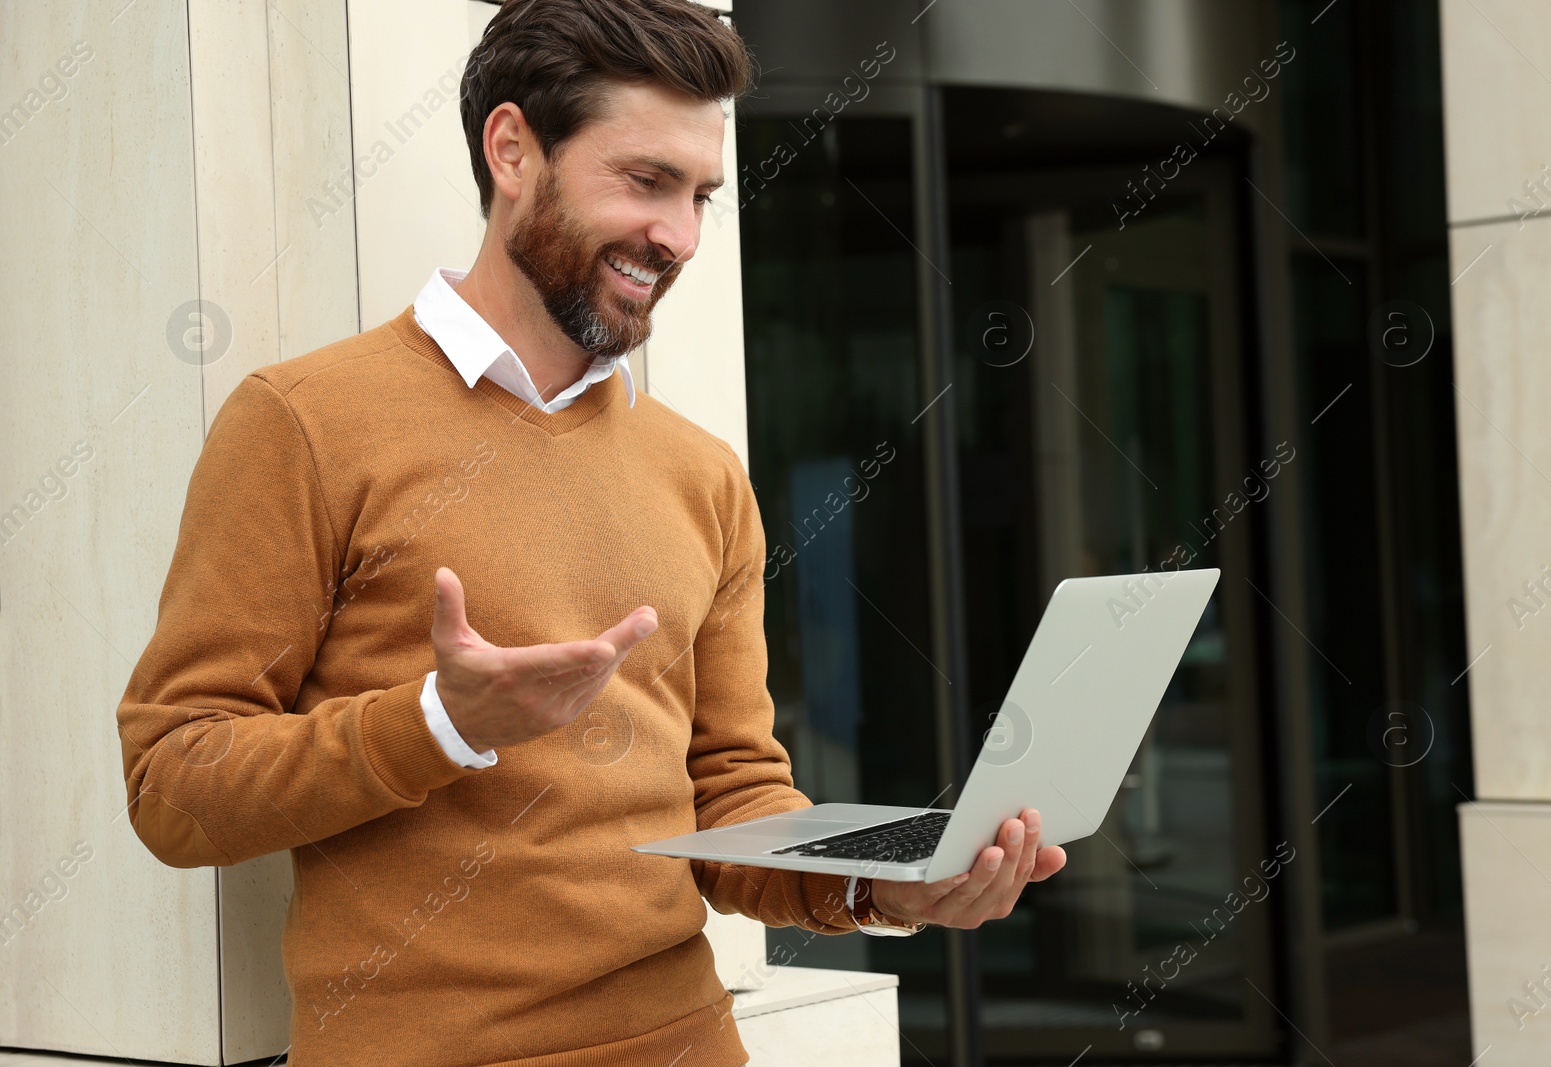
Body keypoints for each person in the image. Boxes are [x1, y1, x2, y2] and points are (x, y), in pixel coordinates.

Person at [115, 0, 1067, 1063]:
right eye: (645, 180)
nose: (682, 236)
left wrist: (885, 881)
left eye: (700, 194)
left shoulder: (701, 474)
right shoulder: (302, 423)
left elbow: (734, 802)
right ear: (513, 149)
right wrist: (434, 722)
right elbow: (172, 786)